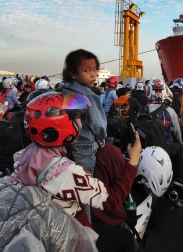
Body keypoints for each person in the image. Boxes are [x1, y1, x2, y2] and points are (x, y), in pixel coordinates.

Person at [13, 91, 139, 252]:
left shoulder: (27, 154)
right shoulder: (61, 172)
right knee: (126, 238)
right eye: (75, 118)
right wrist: (133, 162)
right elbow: (112, 200)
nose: (80, 123)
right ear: (61, 124)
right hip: (68, 240)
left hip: (41, 230)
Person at [62, 49, 107, 176]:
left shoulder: (64, 90)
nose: (94, 75)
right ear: (73, 74)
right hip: (85, 148)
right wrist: (102, 140)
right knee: (83, 181)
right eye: (87, 70)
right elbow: (99, 124)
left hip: (65, 145)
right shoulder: (88, 96)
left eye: (95, 69)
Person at [146, 80, 183, 207]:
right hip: (165, 147)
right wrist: (180, 142)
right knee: (180, 149)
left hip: (146, 148)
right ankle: (178, 178)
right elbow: (176, 132)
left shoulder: (143, 110)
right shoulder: (170, 111)